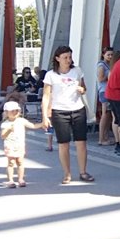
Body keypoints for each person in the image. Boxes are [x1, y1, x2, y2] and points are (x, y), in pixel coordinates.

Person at [41, 45, 94, 185]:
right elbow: (46, 96)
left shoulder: (77, 71)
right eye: (65, 57)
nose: (68, 60)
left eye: (70, 57)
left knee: (81, 142)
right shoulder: (51, 75)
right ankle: (67, 173)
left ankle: (83, 172)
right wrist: (45, 116)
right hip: (59, 111)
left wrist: (82, 89)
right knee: (63, 143)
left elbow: (84, 88)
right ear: (57, 58)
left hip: (77, 109)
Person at [0, 100, 40, 188]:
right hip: (10, 145)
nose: (15, 112)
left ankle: (21, 179)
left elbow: (33, 126)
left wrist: (42, 124)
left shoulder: (21, 121)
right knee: (11, 162)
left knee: (20, 162)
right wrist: (9, 130)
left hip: (20, 145)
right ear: (6, 112)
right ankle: (10, 180)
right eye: (12, 111)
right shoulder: (5, 124)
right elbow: (3, 136)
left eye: (17, 110)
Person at [96, 47, 114, 145]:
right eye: (108, 55)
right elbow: (100, 78)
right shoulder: (101, 65)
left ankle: (105, 137)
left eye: (111, 55)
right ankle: (101, 138)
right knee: (105, 114)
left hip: (108, 91)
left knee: (108, 115)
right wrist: (110, 75)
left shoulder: (109, 65)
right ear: (103, 55)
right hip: (104, 91)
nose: (110, 56)